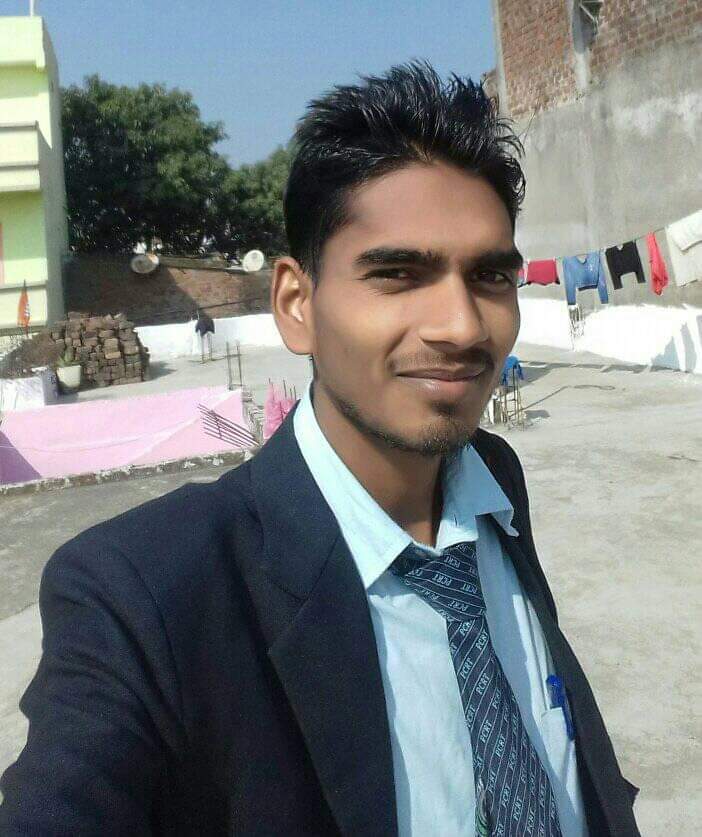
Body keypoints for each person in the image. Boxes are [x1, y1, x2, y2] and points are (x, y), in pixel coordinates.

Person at [0, 63, 640, 836]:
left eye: (489, 276)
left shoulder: (491, 482)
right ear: (296, 305)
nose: (463, 326)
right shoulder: (147, 593)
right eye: (399, 274)